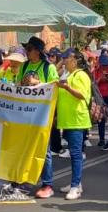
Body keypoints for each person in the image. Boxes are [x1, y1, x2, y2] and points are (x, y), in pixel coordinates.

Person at [37, 49, 92, 200]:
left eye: (67, 58)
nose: (65, 60)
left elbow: (83, 95)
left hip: (76, 120)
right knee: (73, 153)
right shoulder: (67, 74)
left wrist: (67, 87)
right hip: (67, 120)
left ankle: (75, 186)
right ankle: (76, 183)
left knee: (75, 154)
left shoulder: (81, 75)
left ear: (75, 60)